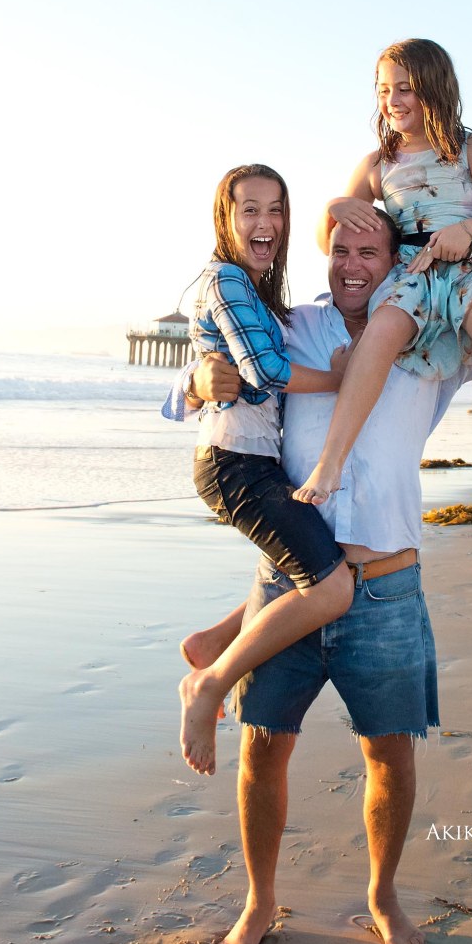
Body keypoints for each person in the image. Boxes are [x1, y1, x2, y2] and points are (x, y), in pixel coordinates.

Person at [170, 213, 472, 944]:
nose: (352, 265)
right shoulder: (292, 328)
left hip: (386, 587)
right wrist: (192, 384)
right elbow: (209, 375)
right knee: (262, 749)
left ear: (397, 262)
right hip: (291, 584)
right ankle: (258, 901)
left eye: (369, 252)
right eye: (341, 251)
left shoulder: (433, 342)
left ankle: (382, 895)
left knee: (392, 757)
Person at [293, 38, 472, 521]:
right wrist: (333, 208)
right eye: (383, 89)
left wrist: (468, 230)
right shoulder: (376, 164)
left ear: (435, 88)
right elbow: (329, 241)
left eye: (405, 89)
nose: (392, 101)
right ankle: (331, 462)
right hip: (412, 270)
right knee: (382, 330)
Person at [176, 164, 355, 777]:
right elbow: (265, 371)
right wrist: (348, 380)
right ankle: (210, 683)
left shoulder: (256, 292)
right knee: (331, 587)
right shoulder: (226, 280)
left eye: (276, 209)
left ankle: (213, 642)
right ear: (226, 221)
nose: (266, 222)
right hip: (234, 465)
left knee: (295, 564)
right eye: (250, 209)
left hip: (253, 461)